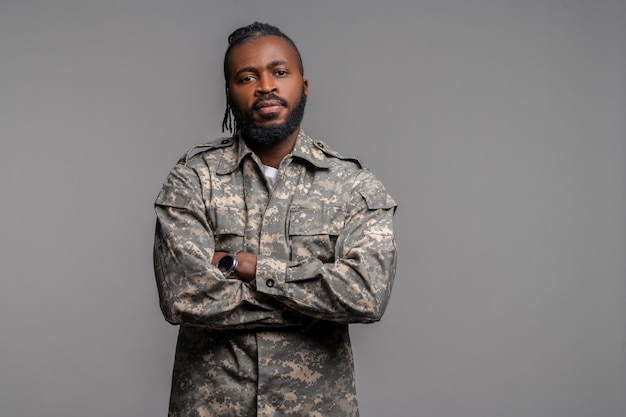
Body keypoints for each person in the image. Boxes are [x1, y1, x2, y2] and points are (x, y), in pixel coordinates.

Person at [153, 22, 397, 417]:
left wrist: (250, 269)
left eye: (279, 72)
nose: (265, 85)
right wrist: (311, 305)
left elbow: (366, 295)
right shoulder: (194, 179)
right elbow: (183, 295)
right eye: (247, 77)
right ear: (230, 93)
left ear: (304, 85)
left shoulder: (353, 185)